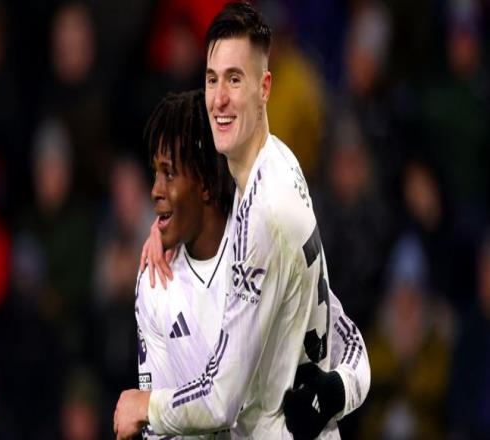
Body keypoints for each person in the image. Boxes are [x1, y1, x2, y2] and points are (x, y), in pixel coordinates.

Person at [114, 3, 370, 439]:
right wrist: (336, 391)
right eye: (212, 79)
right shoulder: (283, 166)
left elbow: (221, 400)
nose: (219, 97)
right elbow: (348, 338)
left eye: (235, 79)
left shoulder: (263, 219)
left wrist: (144, 405)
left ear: (265, 87)